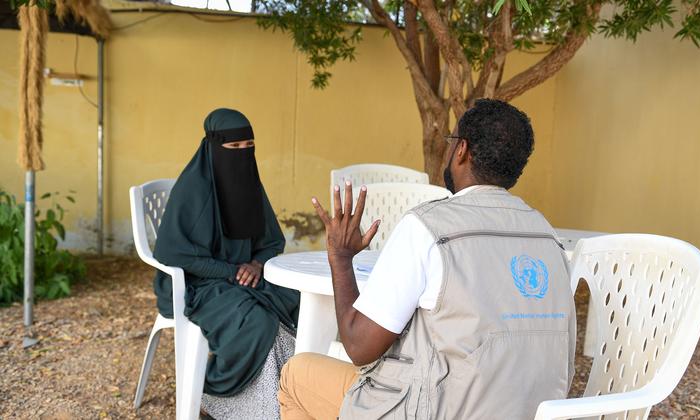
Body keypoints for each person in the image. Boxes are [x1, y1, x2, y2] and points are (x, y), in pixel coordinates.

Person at [278, 99, 576, 419]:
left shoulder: (428, 226)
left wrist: (340, 257)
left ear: (461, 150)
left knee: (297, 375)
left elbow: (359, 347)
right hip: (531, 412)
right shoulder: (546, 234)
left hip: (441, 411)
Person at [153, 108, 300, 419]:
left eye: (249, 147)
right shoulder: (191, 191)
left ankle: (291, 394)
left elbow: (272, 241)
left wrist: (258, 264)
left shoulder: (250, 186)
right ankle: (212, 395)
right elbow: (173, 255)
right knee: (254, 321)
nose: (242, 155)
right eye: (233, 148)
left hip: (244, 275)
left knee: (297, 300)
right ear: (212, 146)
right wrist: (230, 271)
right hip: (197, 283)